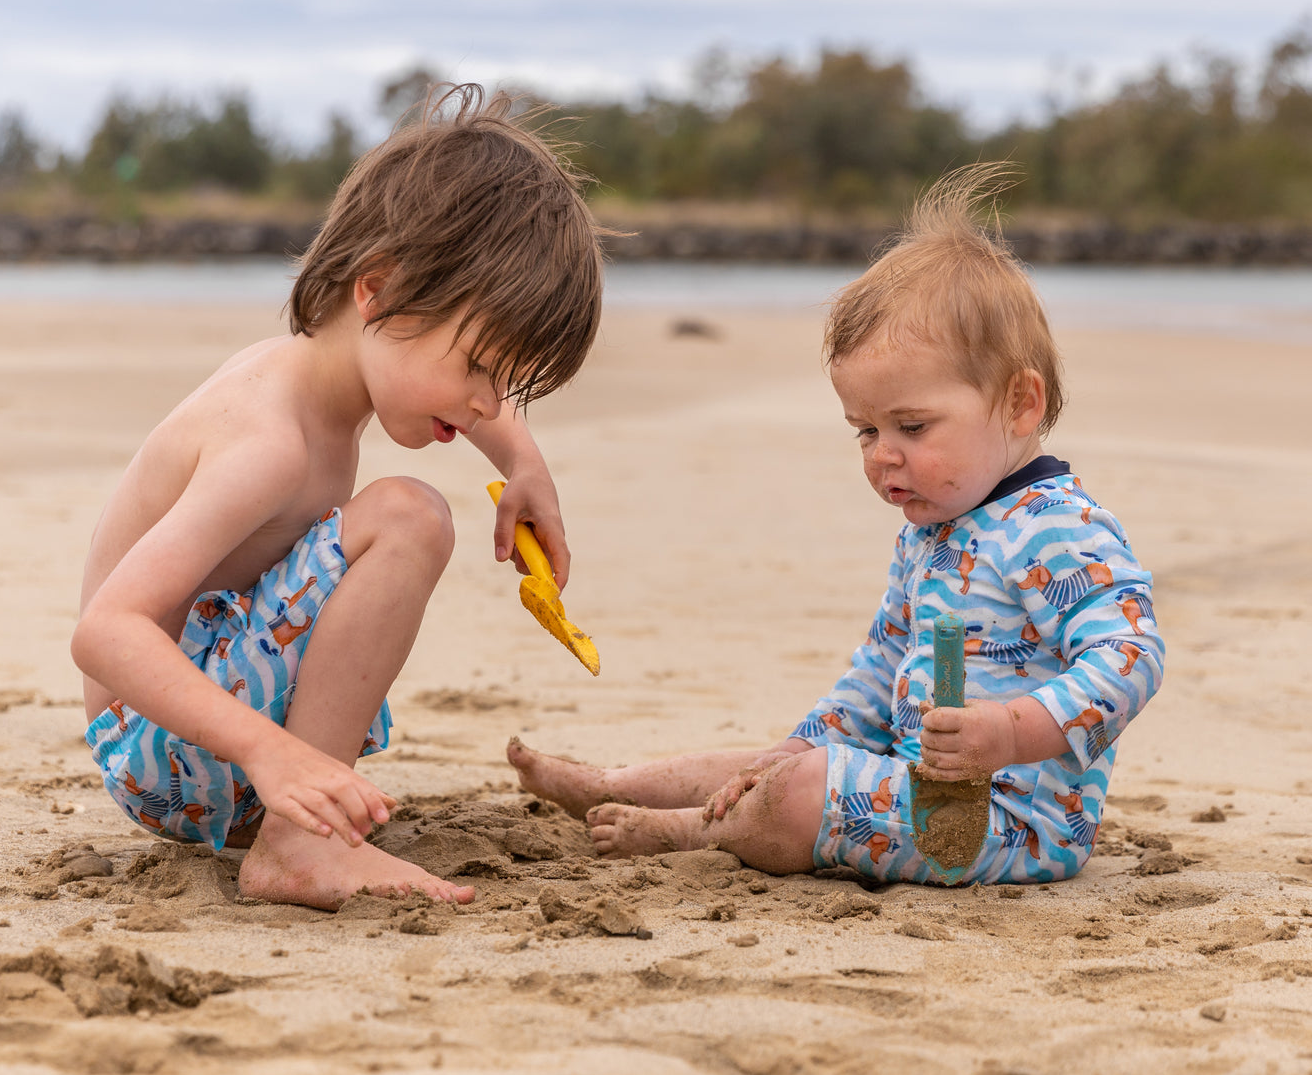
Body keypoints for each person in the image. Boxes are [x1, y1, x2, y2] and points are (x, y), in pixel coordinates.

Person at [509, 165, 1165, 885]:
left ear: (1019, 405)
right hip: (913, 781)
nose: (882, 454)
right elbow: (881, 666)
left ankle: (692, 831)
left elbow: (1129, 656)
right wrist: (801, 744)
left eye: (912, 426)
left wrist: (1012, 732)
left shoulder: (1058, 527)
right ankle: (612, 785)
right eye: (865, 430)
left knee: (796, 792)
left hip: (1002, 820)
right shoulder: (932, 531)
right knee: (773, 764)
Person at [73, 85, 606, 908]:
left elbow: (473, 401)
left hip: (202, 738)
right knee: (408, 516)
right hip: (158, 745)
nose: (486, 405)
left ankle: (289, 824)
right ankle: (298, 848)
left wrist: (525, 464)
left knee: (393, 519)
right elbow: (106, 633)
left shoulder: (326, 379)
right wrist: (270, 753)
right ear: (378, 292)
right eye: (478, 369)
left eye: (506, 383)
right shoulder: (267, 441)